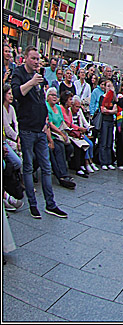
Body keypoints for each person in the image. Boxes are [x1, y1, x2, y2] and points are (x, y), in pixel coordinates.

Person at [9, 47, 67, 219]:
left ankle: (51, 204)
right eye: (33, 58)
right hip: (27, 129)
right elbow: (16, 93)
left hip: (40, 129)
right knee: (27, 167)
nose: (36, 62)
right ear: (25, 58)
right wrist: (32, 82)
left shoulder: (39, 77)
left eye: (38, 59)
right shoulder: (18, 74)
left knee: (47, 167)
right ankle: (33, 205)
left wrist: (45, 122)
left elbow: (41, 100)